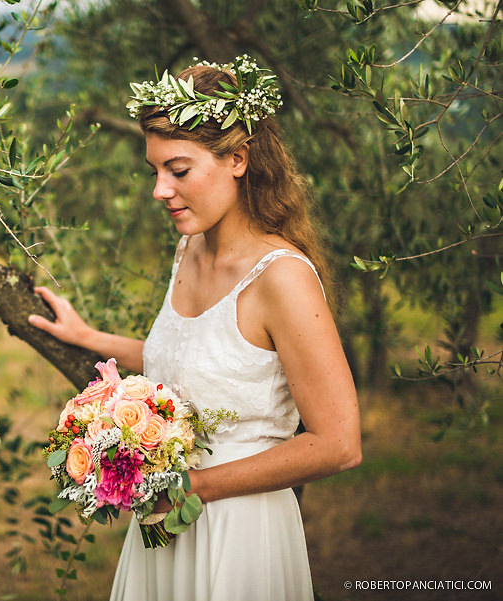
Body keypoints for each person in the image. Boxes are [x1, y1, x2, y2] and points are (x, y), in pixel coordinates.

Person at [27, 56, 361, 601]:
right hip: (166, 524)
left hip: (239, 532)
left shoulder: (282, 279)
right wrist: (90, 340)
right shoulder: (190, 249)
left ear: (237, 158)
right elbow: (205, 362)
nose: (160, 190)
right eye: (154, 171)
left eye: (178, 171)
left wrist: (190, 487)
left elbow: (339, 444)